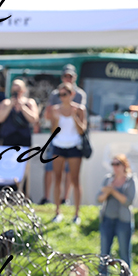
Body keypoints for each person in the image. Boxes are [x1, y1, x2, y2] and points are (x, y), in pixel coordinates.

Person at [41, 64, 88, 205]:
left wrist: (72, 115)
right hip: (58, 140)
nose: (68, 78)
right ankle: (48, 200)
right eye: (65, 76)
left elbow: (81, 125)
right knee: (52, 171)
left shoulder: (80, 97)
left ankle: (66, 200)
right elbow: (50, 119)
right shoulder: (55, 95)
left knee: (72, 175)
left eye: (70, 76)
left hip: (74, 141)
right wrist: (54, 116)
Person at [97, 154, 138, 276]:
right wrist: (108, 191)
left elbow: (128, 201)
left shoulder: (130, 180)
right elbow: (99, 198)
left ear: (124, 165)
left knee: (124, 255)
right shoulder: (108, 179)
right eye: (113, 164)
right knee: (104, 255)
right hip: (107, 220)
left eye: (117, 164)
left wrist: (112, 191)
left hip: (123, 222)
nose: (114, 167)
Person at [49, 83, 87, 224]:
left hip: (74, 146)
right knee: (57, 178)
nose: (62, 97)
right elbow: (53, 131)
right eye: (60, 95)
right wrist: (57, 119)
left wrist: (74, 116)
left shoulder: (80, 109)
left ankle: (76, 214)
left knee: (75, 180)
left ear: (72, 94)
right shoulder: (55, 109)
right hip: (58, 146)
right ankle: (57, 212)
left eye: (64, 94)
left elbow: (82, 130)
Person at [0, 79, 39, 147]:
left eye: (19, 90)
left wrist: (23, 107)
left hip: (24, 137)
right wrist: (10, 105)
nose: (17, 93)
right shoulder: (5, 103)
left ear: (23, 90)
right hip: (8, 136)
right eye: (15, 90)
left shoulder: (29, 102)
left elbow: (34, 119)